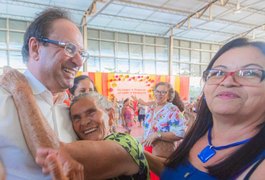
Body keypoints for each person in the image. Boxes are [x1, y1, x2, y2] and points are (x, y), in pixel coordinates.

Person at [146, 38, 265, 179]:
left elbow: (178, 133)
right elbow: (175, 172)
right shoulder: (199, 133)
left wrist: (158, 136)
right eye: (218, 73)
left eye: (249, 73)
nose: (227, 81)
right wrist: (133, 153)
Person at [0, 69, 150, 179]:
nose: (84, 122)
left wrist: (21, 90)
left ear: (110, 115)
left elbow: (52, 153)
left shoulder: (125, 143)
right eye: (76, 118)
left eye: (91, 112)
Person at [0, 8, 87, 179]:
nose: (78, 62)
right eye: (69, 48)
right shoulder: (3, 100)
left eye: (82, 53)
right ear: (35, 49)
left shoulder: (73, 109)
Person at [143, 82, 186, 180]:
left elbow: (180, 133)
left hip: (161, 152)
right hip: (147, 149)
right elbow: (147, 129)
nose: (159, 94)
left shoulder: (172, 110)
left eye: (163, 92)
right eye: (157, 91)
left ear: (169, 95)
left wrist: (158, 135)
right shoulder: (150, 108)